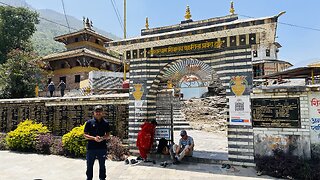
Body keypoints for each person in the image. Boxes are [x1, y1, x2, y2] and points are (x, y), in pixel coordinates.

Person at [84, 105, 110, 180]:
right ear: (94, 113)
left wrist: (102, 138)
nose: (98, 113)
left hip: (102, 148)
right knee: (89, 165)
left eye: (100, 111)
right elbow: (85, 135)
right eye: (96, 111)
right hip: (91, 148)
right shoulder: (89, 122)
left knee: (102, 165)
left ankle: (102, 178)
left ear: (102, 113)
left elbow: (108, 135)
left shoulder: (106, 123)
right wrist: (94, 138)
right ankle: (89, 178)